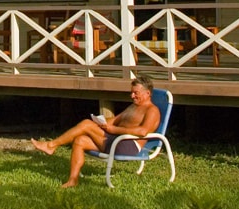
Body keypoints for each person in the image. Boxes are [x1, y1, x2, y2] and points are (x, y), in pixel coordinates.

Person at [31, 75, 160, 188]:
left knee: (86, 124)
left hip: (128, 145)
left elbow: (143, 131)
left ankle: (51, 145)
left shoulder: (152, 110)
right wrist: (101, 123)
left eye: (135, 93)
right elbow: (114, 120)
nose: (132, 96)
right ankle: (73, 180)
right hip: (115, 140)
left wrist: (114, 129)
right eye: (131, 92)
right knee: (80, 140)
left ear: (147, 93)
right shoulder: (133, 106)